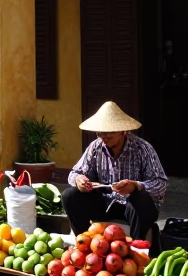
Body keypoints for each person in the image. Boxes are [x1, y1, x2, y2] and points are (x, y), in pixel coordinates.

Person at [61, 101, 167, 245]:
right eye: (100, 134)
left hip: (132, 207)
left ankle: (137, 249)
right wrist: (79, 180)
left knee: (140, 199)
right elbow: (74, 173)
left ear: (123, 132)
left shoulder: (142, 149)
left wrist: (136, 186)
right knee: (70, 195)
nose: (104, 138)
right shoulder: (96, 147)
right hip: (104, 203)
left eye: (109, 135)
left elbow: (160, 183)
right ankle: (84, 244)